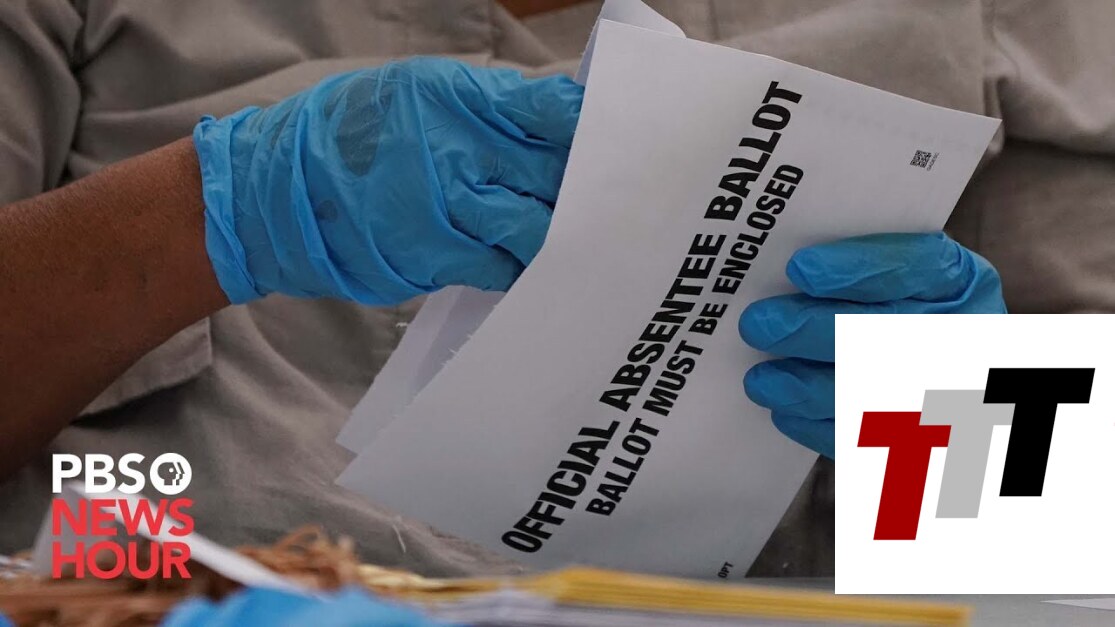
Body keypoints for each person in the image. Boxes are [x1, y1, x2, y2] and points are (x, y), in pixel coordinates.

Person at [1, 0, 1110, 583]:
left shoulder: (1016, 22)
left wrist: (965, 421)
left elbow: (1065, 559)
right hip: (147, 595)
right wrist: (206, 217)